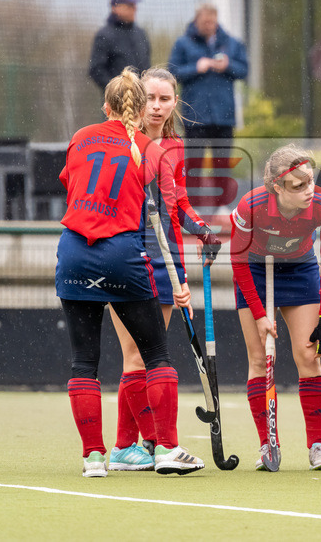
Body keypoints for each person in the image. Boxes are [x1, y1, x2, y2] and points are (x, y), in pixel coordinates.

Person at [56, 67, 203, 477]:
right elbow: (163, 207)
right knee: (156, 353)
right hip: (122, 254)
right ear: (139, 110)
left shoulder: (79, 137)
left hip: (72, 251)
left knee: (84, 361)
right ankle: (167, 449)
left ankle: (94, 459)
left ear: (106, 106)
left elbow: (75, 188)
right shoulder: (151, 150)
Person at [107, 68, 222, 471]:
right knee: (134, 356)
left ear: (175, 102)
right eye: (149, 99)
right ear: (136, 101)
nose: (156, 107)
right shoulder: (120, 142)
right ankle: (136, 444)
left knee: (148, 355)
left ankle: (133, 445)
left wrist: (202, 229)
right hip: (124, 257)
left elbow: (180, 205)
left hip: (166, 263)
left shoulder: (175, 146)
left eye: (164, 99)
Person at [230, 145, 321, 471]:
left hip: (299, 270)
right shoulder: (251, 207)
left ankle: (318, 446)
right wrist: (260, 315)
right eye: (298, 186)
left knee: (308, 356)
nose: (310, 191)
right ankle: (267, 445)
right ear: (277, 187)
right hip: (254, 271)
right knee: (258, 359)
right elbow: (236, 261)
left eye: (311, 182)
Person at [168, 1, 249, 182]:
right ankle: (191, 204)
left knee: (222, 165)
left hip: (224, 116)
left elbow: (244, 70)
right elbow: (172, 73)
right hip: (195, 115)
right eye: (205, 22)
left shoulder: (231, 43)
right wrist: (195, 68)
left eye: (212, 22)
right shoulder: (183, 44)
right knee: (193, 166)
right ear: (196, 20)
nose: (209, 26)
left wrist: (228, 66)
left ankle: (220, 204)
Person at [88, 0, 150, 91]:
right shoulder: (104, 35)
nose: (134, 9)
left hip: (141, 99)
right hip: (115, 102)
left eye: (134, 5)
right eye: (129, 5)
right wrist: (118, 90)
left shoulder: (141, 34)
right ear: (115, 8)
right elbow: (96, 70)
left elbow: (147, 67)